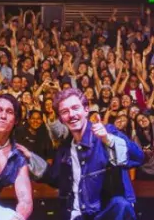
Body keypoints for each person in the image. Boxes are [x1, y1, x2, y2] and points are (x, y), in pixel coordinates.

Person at [26, 88, 143, 220]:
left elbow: (138, 157)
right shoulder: (65, 149)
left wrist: (107, 139)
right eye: (65, 112)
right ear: (61, 118)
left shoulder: (106, 132)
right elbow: (55, 178)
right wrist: (30, 158)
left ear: (86, 109)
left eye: (75, 108)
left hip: (107, 214)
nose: (71, 115)